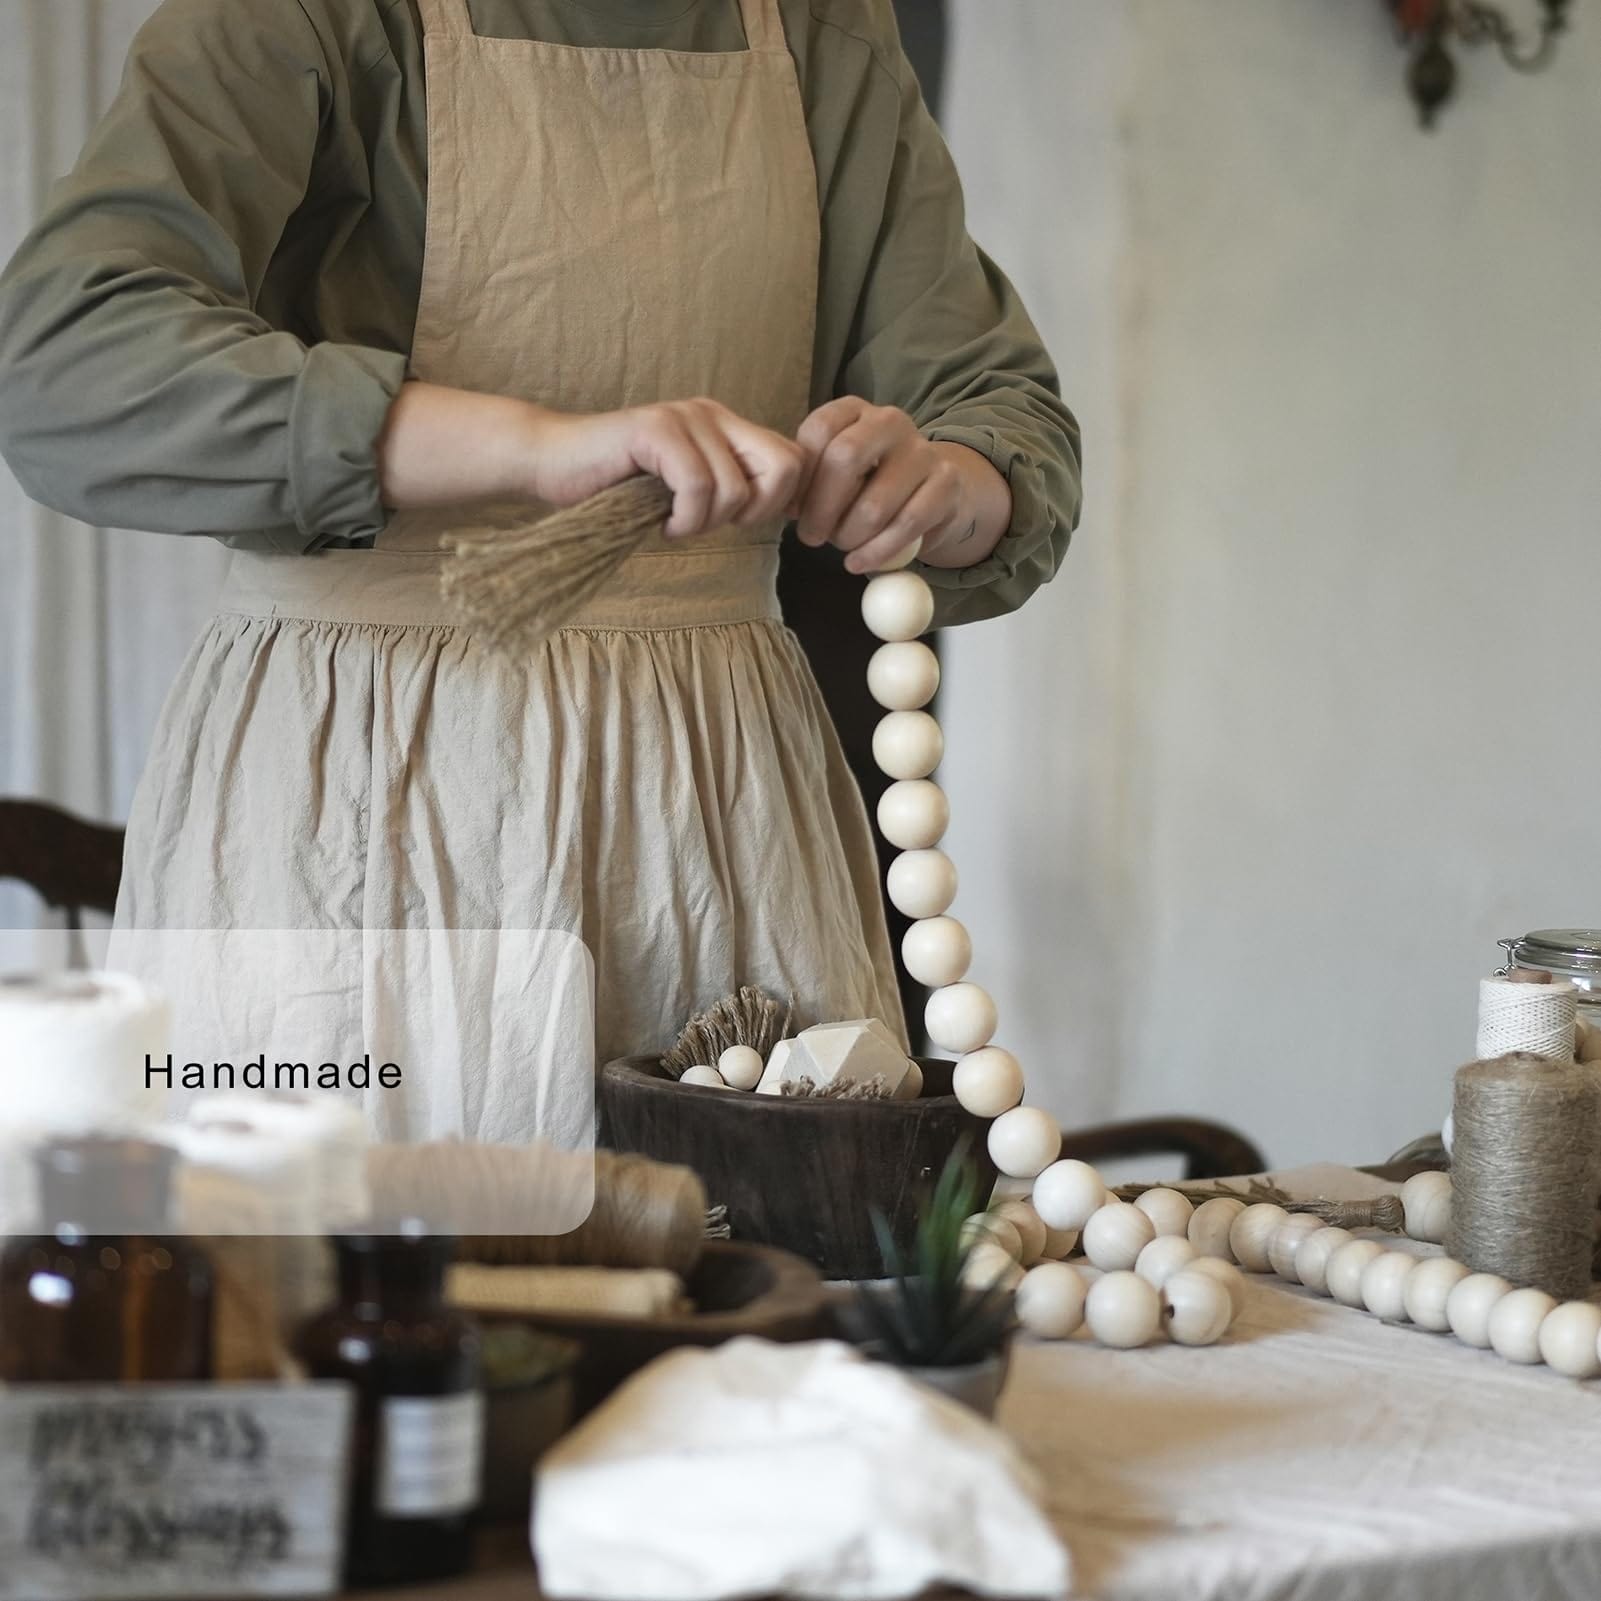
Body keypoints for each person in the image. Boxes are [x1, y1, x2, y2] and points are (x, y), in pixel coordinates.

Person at [0, 0, 1080, 1141]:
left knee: (746, 1271)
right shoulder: (303, 16)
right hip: (365, 781)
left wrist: (953, 479)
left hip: (716, 791)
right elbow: (67, 361)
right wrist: (535, 445)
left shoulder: (820, 28)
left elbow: (1001, 407)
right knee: (349, 1280)